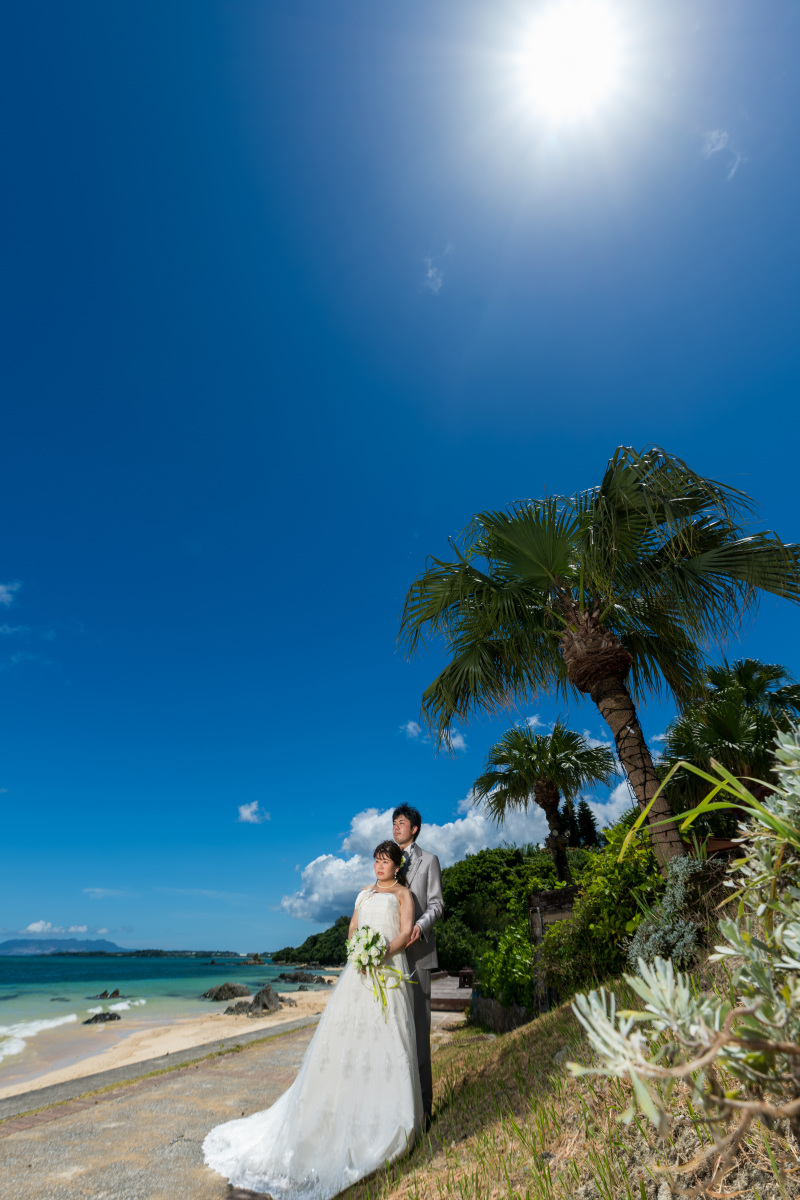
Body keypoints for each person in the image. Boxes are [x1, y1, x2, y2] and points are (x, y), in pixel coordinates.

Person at [203, 840, 423, 1199]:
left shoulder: (403, 895)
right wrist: (357, 947)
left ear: (397, 866)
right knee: (346, 1037)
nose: (379, 866)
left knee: (387, 1036)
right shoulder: (363, 894)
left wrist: (381, 950)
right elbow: (353, 927)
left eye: (385, 861)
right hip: (359, 972)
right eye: (376, 861)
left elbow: (404, 931)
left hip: (388, 970)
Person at [391, 804, 443, 1125]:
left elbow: (437, 904)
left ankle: (425, 1111)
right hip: (393, 960)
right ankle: (401, 1108)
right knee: (396, 1035)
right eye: (393, 823)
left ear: (415, 829)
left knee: (420, 1037)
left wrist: (420, 926)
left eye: (401, 823)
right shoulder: (388, 863)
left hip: (419, 956)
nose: (396, 827)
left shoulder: (430, 861)